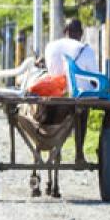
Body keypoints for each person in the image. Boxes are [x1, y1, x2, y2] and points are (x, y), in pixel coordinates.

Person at [44, 18, 98, 165]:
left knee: (51, 107)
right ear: (80, 33)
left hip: (55, 97)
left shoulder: (50, 46)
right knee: (83, 113)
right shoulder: (85, 49)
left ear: (64, 32)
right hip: (77, 100)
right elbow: (94, 78)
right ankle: (79, 154)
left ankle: (55, 150)